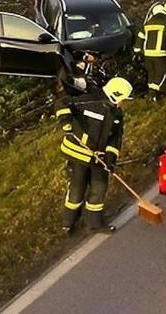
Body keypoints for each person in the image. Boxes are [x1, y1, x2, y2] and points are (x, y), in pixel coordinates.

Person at [56, 77, 132, 234]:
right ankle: (68, 223)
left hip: (99, 158)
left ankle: (94, 223)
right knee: (77, 189)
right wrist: (65, 120)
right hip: (77, 154)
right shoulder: (89, 100)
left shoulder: (117, 114)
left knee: (99, 187)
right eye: (123, 98)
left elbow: (115, 138)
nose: (124, 102)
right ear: (115, 94)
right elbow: (62, 103)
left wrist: (110, 158)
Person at [133, 3, 166, 101]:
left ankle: (151, 92)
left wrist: (137, 51)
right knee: (162, 73)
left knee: (151, 73)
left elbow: (140, 37)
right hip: (161, 54)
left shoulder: (147, 24)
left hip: (147, 54)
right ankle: (155, 92)